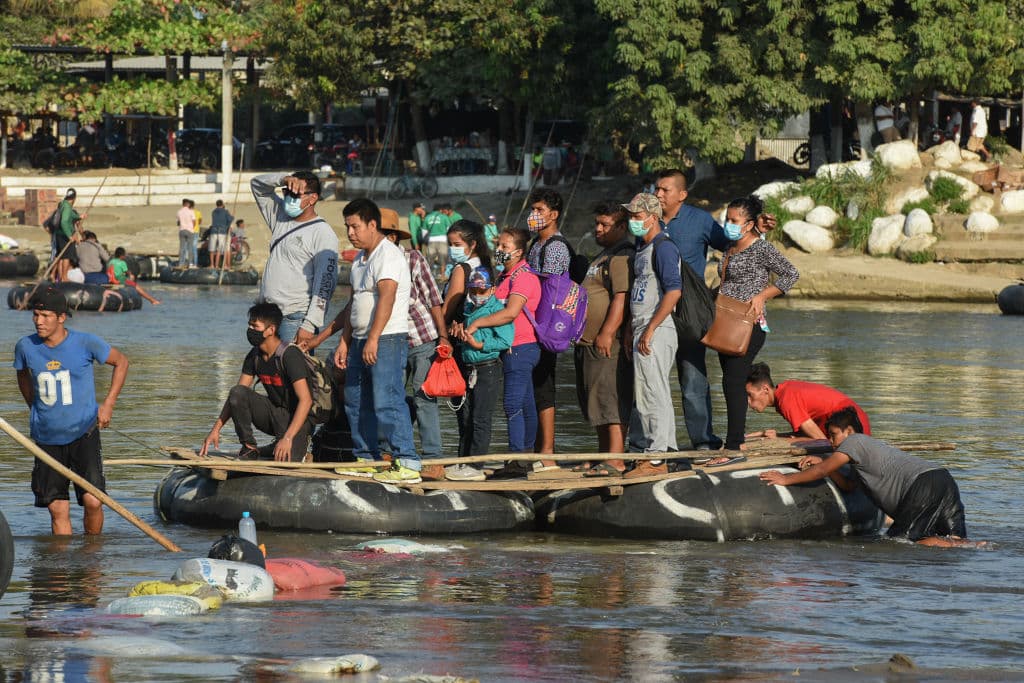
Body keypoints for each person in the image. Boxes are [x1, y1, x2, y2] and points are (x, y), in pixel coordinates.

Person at [760, 407, 977, 547]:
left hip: (921, 485)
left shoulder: (854, 443)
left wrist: (785, 479)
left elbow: (821, 472)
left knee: (901, 543)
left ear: (850, 432)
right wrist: (827, 465)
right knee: (957, 541)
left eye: (834, 435)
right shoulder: (865, 453)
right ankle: (979, 546)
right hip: (942, 478)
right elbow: (847, 485)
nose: (831, 442)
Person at [14, 286, 130, 535]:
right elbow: (22, 375)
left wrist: (108, 403)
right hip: (46, 438)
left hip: (83, 433)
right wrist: (33, 406)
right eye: (35, 315)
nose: (38, 322)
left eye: (45, 317)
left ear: (61, 317)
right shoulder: (25, 346)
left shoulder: (85, 343)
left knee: (93, 500)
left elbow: (121, 362)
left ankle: (91, 555)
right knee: (58, 508)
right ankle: (62, 567)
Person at [707, 196, 799, 460]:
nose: (729, 225)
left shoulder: (761, 249)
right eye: (728, 220)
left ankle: (734, 446)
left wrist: (763, 296)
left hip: (749, 324)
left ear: (748, 224)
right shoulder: (729, 247)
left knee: (733, 381)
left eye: (734, 221)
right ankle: (735, 441)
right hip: (726, 321)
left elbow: (791, 274)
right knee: (731, 382)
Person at [335, 198, 420, 483]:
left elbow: (387, 297)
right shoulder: (360, 259)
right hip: (359, 339)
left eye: (355, 226)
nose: (351, 233)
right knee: (356, 400)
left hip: (386, 339)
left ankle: (407, 461)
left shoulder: (389, 254)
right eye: (347, 227)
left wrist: (373, 339)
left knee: (388, 399)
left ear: (373, 225)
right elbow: (354, 303)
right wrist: (345, 342)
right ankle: (367, 457)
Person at [655, 168, 727, 451]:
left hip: (689, 314)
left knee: (693, 380)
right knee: (651, 380)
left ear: (682, 195)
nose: (658, 194)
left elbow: (732, 247)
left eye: (665, 190)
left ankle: (703, 443)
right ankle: (657, 444)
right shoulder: (647, 220)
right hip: (653, 312)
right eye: (656, 189)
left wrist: (722, 290)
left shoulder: (700, 220)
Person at [200, 303, 314, 462]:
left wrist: (288, 438)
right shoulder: (254, 356)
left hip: (296, 421)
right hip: (274, 415)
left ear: (271, 330)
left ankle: (298, 448)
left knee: (288, 462)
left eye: (255, 326)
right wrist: (216, 429)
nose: (250, 329)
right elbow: (237, 396)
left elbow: (306, 400)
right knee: (237, 392)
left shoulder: (289, 355)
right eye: (249, 325)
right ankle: (249, 447)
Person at [464, 227, 541, 463]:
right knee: (526, 402)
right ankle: (526, 455)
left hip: (521, 347)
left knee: (513, 404)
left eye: (504, 247)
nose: (498, 250)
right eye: (498, 245)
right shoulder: (504, 276)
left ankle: (517, 458)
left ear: (518, 252)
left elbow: (510, 313)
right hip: (510, 347)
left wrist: (477, 324)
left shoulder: (524, 277)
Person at [622, 193, 681, 477]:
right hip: (643, 328)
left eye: (637, 216)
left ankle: (655, 458)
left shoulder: (664, 247)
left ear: (652, 217)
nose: (632, 221)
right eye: (631, 216)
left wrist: (650, 328)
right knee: (656, 391)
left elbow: (674, 291)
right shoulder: (642, 247)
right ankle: (665, 449)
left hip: (655, 329)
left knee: (649, 393)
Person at [573, 202, 634, 475]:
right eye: (597, 223)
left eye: (605, 225)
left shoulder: (621, 256)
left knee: (610, 399)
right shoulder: (602, 255)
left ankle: (617, 458)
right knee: (595, 400)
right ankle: (603, 455)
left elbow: (621, 296)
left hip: (607, 341)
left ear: (622, 227)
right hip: (587, 341)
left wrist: (607, 333)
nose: (598, 229)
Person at [251, 171, 339, 345]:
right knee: (267, 371)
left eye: (295, 194)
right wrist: (283, 179)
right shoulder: (280, 217)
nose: (289, 198)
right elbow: (257, 185)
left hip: (295, 318)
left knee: (293, 371)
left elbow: (325, 284)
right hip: (268, 316)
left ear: (312, 198)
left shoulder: (323, 234)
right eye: (287, 192)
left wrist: (310, 324)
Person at [448, 267, 513, 480]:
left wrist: (480, 344)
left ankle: (476, 466)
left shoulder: (498, 310)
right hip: (467, 368)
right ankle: (463, 461)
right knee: (465, 417)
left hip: (488, 368)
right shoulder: (468, 308)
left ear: (492, 289)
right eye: (473, 290)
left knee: (481, 418)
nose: (477, 294)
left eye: (482, 290)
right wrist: (458, 332)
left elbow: (505, 341)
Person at [525, 189, 570, 462]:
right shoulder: (536, 244)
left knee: (543, 384)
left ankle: (548, 452)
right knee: (533, 385)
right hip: (532, 322)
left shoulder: (555, 246)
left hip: (546, 324)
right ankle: (535, 448)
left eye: (539, 210)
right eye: (533, 209)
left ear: (553, 215)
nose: (533, 215)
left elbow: (552, 287)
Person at [744, 362, 871, 441]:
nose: (748, 402)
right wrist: (767, 434)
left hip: (851, 428)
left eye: (750, 395)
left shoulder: (786, 399)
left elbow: (820, 440)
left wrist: (779, 439)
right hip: (850, 423)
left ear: (765, 389)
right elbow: (807, 434)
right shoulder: (785, 391)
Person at [442, 220, 493, 327]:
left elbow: (448, 309)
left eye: (457, 245)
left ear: (473, 244)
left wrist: (439, 328)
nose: (452, 249)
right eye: (450, 245)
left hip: (458, 328)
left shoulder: (461, 269)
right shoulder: (484, 263)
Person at [54, 189, 82, 283]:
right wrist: (69, 235)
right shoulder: (67, 207)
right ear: (74, 198)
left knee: (60, 256)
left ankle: (60, 277)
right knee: (66, 256)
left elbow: (71, 215)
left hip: (59, 234)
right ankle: (64, 277)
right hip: (65, 235)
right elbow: (64, 222)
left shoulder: (63, 204)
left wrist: (79, 217)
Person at [422, 204, 452, 277]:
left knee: (430, 259)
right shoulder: (444, 217)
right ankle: (442, 275)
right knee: (443, 258)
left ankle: (429, 275)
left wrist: (425, 241)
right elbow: (449, 229)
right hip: (443, 240)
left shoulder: (427, 218)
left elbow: (424, 231)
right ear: (440, 210)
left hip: (431, 240)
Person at [208, 199, 233, 269]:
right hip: (222, 232)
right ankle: (222, 265)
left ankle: (212, 265)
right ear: (222, 204)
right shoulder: (225, 212)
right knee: (221, 249)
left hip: (214, 231)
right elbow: (230, 220)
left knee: (212, 249)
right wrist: (232, 216)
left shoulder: (213, 212)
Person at [176, 198, 195, 268]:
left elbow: (178, 222)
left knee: (182, 248)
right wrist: (191, 227)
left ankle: (181, 263)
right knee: (190, 247)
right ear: (188, 204)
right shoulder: (191, 211)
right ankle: (190, 263)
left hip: (182, 230)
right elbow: (194, 222)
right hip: (190, 230)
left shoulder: (179, 212)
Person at [190, 199, 202, 267]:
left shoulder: (187, 213)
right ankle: (195, 263)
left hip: (189, 231)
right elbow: (200, 221)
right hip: (196, 231)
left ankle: (190, 262)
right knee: (194, 248)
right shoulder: (198, 212)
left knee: (189, 248)